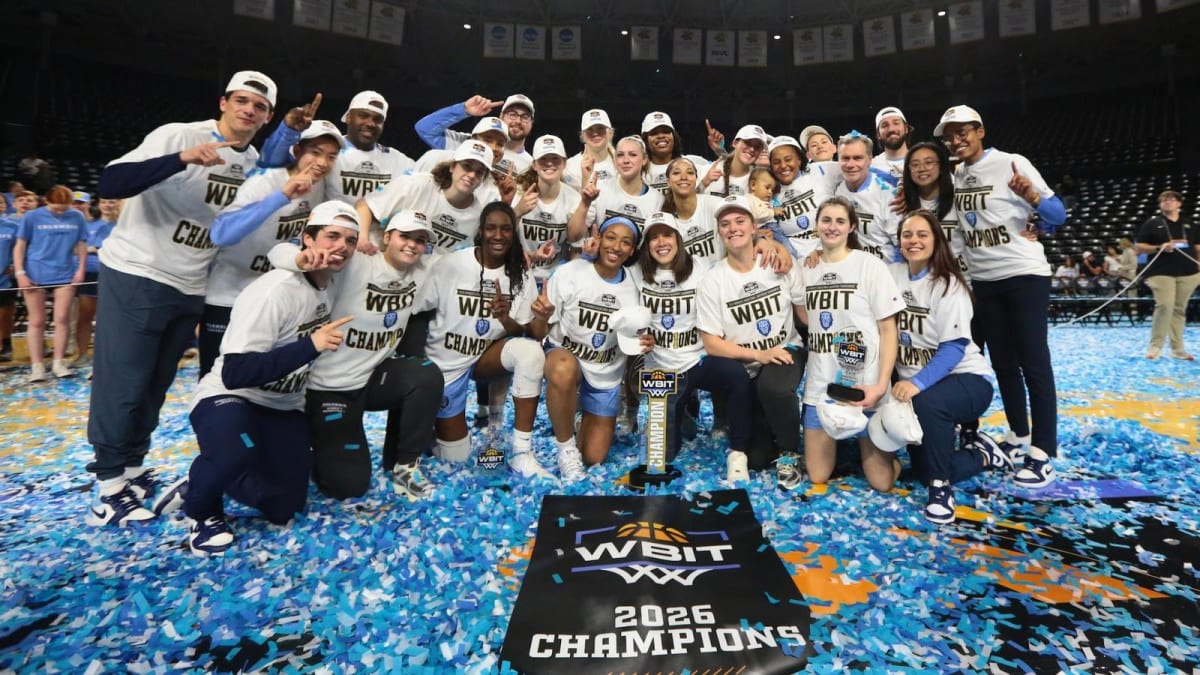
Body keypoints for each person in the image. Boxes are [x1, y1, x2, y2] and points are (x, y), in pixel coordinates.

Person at [86, 70, 277, 525]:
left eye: (260, 106)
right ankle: (108, 486)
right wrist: (180, 159)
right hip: (139, 270)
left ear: (268, 117)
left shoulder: (253, 162)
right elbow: (111, 182)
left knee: (154, 385)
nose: (249, 110)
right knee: (123, 382)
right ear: (223, 102)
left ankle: (132, 469)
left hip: (192, 283)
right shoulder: (180, 135)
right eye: (242, 100)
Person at [152, 200, 358, 554]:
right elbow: (236, 373)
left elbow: (284, 252)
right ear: (308, 239)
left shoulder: (332, 282)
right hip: (231, 396)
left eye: (350, 240)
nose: (341, 246)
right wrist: (310, 345)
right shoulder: (274, 290)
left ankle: (203, 478)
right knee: (234, 456)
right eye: (332, 236)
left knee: (285, 506)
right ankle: (202, 509)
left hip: (283, 406)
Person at [266, 207, 444, 500]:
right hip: (330, 388)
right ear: (386, 237)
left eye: (420, 240)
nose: (412, 244)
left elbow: (467, 262)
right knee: (348, 487)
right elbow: (278, 252)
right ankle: (309, 441)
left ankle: (405, 466)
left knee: (425, 375)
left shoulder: (423, 271)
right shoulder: (358, 263)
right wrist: (301, 258)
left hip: (372, 379)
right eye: (405, 236)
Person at [934, 104, 1067, 489]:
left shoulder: (1012, 162)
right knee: (1004, 364)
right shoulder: (957, 175)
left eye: (962, 132)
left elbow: (1058, 214)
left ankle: (1043, 452)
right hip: (984, 281)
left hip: (1024, 274)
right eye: (950, 136)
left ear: (980, 131)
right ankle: (1018, 435)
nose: (956, 140)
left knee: (1034, 362)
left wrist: (1035, 201)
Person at [888, 210, 1009, 524]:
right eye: (907, 235)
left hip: (966, 379)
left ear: (936, 240)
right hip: (920, 389)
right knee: (923, 469)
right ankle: (983, 455)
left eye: (922, 234)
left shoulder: (948, 284)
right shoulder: (891, 274)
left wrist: (916, 383)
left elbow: (954, 349)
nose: (914, 241)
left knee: (929, 403)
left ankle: (941, 489)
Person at [415, 202, 553, 478]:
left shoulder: (519, 273)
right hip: (445, 366)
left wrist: (506, 317)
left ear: (513, 233)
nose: (498, 235)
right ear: (481, 231)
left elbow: (524, 332)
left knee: (530, 352)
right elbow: (419, 312)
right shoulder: (450, 265)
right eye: (491, 228)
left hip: (483, 359)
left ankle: (521, 453)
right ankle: (433, 427)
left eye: (505, 229)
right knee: (456, 456)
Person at [199, 120, 341, 376]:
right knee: (218, 378)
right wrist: (281, 196)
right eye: (316, 152)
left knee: (268, 375)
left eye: (331, 156)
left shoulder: (320, 185)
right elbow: (221, 234)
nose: (322, 162)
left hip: (276, 297)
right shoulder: (265, 181)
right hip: (230, 295)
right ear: (296, 151)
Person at [696, 196, 807, 489]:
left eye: (740, 221)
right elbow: (712, 344)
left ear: (754, 227)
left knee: (774, 387)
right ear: (719, 232)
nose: (733, 228)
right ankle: (775, 433)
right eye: (725, 224)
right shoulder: (713, 280)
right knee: (757, 458)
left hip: (785, 349)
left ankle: (789, 453)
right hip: (747, 365)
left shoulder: (778, 262)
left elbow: (804, 315)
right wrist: (759, 354)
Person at [632, 211, 753, 471]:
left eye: (667, 235)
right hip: (661, 370)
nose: (661, 242)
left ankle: (738, 453)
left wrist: (768, 243)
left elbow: (738, 252)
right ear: (646, 244)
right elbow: (623, 314)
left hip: (698, 359)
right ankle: (682, 411)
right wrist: (636, 336)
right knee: (662, 456)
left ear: (678, 239)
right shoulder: (635, 273)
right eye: (654, 237)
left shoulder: (702, 266)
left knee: (736, 374)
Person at [798, 196, 904, 493]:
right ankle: (847, 447)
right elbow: (804, 316)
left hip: (865, 386)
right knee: (817, 475)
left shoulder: (870, 265)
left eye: (840, 221)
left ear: (852, 227)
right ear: (817, 225)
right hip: (822, 386)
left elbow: (888, 330)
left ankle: (881, 452)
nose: (832, 227)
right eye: (826, 220)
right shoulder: (806, 268)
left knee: (881, 482)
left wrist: (881, 385)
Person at [531, 215, 643, 480]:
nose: (616, 247)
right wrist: (541, 317)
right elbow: (538, 334)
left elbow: (634, 339)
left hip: (605, 373)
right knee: (563, 368)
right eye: (611, 238)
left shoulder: (636, 286)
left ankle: (580, 417)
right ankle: (566, 449)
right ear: (599, 239)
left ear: (632, 251)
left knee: (594, 457)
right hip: (567, 358)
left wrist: (643, 341)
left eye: (625, 242)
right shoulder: (570, 273)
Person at [356, 140, 496, 257]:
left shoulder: (478, 216)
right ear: (453, 166)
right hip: (383, 263)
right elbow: (365, 205)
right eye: (466, 166)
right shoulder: (417, 184)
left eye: (479, 172)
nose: (472, 175)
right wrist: (362, 239)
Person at [13, 185, 88, 382]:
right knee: (37, 321)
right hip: (35, 272)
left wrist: (80, 269)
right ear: (46, 201)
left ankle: (58, 363)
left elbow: (81, 244)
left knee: (62, 318)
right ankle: (37, 366)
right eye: (56, 209)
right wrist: (20, 272)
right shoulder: (32, 217)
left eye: (64, 208)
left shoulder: (77, 217)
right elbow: (20, 245)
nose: (61, 212)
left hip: (65, 273)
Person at [1135, 190, 1199, 360]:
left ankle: (1178, 349)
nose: (1167, 202)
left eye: (1171, 199)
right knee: (1164, 306)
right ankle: (1155, 347)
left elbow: (1198, 247)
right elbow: (1139, 247)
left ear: (1179, 203)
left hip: (1188, 272)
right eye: (1164, 200)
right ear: (1160, 205)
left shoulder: (1190, 224)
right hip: (1160, 272)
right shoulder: (1152, 223)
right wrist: (1159, 247)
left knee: (1179, 309)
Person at [568, 136, 664, 245]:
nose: (626, 160)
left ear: (644, 159)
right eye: (620, 155)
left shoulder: (657, 199)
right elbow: (573, 236)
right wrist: (585, 203)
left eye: (633, 155)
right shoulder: (599, 189)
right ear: (615, 160)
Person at [514, 135, 580, 284]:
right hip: (520, 272)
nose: (549, 163)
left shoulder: (574, 199)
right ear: (534, 165)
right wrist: (517, 212)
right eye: (543, 158)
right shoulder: (518, 193)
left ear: (564, 163)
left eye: (555, 158)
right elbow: (504, 237)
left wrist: (569, 284)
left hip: (556, 278)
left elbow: (576, 250)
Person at [415, 93, 535, 174]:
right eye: (512, 114)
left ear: (531, 122)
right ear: (501, 116)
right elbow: (425, 129)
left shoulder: (532, 166)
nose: (518, 121)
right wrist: (464, 110)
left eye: (525, 117)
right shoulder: (467, 143)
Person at [767, 134, 839, 260]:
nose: (783, 166)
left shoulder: (820, 170)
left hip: (829, 253)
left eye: (788, 159)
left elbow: (857, 168)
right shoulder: (768, 190)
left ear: (799, 160)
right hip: (793, 261)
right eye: (776, 162)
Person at [901, 141, 967, 275]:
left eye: (929, 162)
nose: (922, 168)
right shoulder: (901, 203)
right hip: (922, 278)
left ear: (941, 166)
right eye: (915, 164)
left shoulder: (959, 197)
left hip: (961, 276)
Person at [834, 132, 899, 263]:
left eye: (857, 158)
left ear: (869, 160)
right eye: (845, 158)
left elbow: (901, 244)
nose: (850, 164)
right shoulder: (838, 191)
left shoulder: (888, 194)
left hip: (886, 268)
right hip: (854, 269)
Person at [73, 197, 121, 366]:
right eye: (104, 202)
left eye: (111, 202)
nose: (108, 205)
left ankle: (109, 355)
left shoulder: (122, 225)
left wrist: (93, 249)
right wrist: (92, 249)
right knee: (85, 315)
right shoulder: (88, 225)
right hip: (90, 273)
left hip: (114, 273)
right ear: (99, 205)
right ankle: (82, 354)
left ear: (118, 203)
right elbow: (76, 249)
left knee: (111, 317)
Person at [640, 111, 709, 195]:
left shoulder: (695, 163)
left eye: (666, 132)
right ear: (645, 141)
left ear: (674, 136)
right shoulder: (637, 171)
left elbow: (723, 170)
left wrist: (720, 150)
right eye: (654, 133)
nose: (661, 136)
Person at [700, 124, 770, 198]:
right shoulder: (708, 170)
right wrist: (704, 183)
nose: (752, 149)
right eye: (748, 142)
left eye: (757, 147)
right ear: (735, 143)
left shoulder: (758, 182)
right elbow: (692, 199)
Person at [564, 109, 617, 190]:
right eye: (590, 129)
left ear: (611, 132)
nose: (595, 133)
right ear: (582, 136)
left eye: (600, 128)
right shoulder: (570, 167)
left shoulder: (622, 162)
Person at [871, 107, 911, 182]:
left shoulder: (920, 163)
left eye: (896, 123)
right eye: (884, 125)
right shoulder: (871, 166)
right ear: (878, 134)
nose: (891, 129)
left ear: (906, 128)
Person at [0, 195, 18, 360]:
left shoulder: (13, 226)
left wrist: (13, 265)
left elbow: (20, 248)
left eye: (0, 202)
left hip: (4, 279)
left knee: (5, 314)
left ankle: (6, 345)